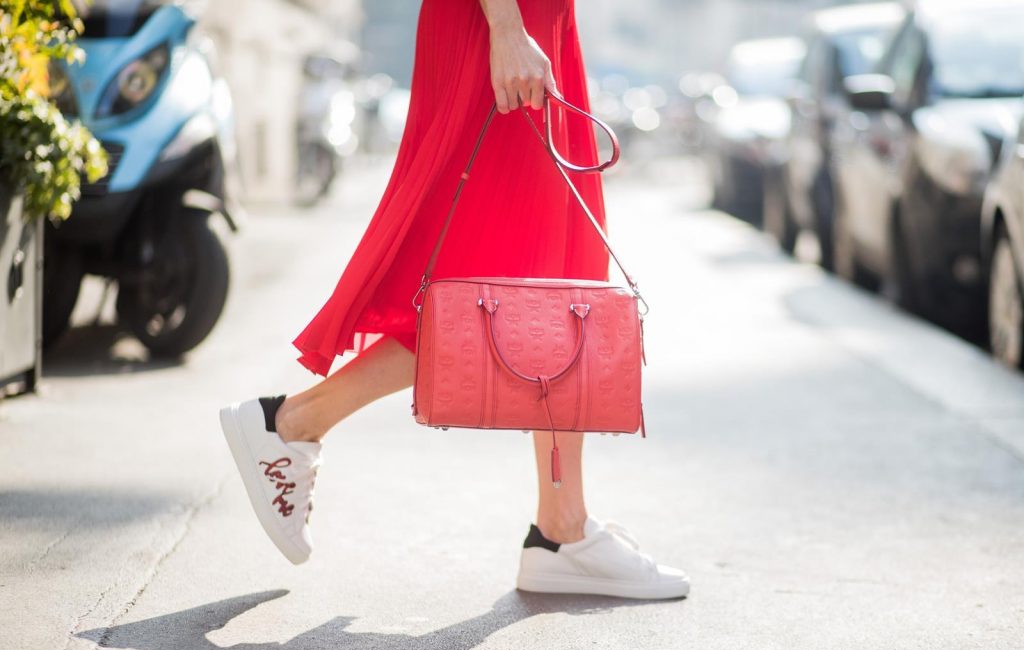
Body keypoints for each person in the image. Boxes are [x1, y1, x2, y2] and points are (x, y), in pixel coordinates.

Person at [218, 0, 689, 600]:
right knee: (496, 284)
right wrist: (506, 27)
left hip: (531, 26)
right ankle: (293, 421)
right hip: (501, 24)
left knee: (553, 282)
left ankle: (562, 529)